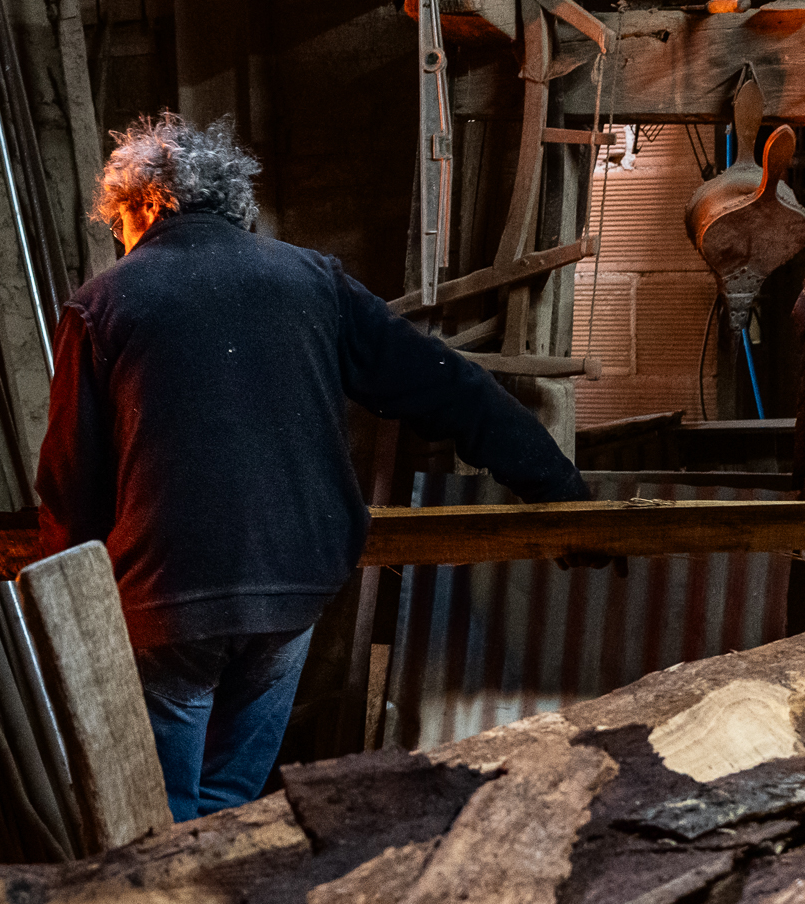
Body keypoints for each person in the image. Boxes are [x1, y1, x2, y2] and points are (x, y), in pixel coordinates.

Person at [35, 112, 590, 822]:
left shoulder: (102, 303)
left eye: (121, 227)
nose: (124, 243)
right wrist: (557, 486)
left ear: (142, 204)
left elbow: (68, 482)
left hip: (167, 600)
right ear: (234, 203)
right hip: (294, 591)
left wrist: (70, 614)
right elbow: (446, 386)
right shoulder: (313, 280)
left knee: (157, 821)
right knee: (232, 806)